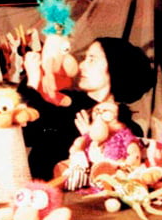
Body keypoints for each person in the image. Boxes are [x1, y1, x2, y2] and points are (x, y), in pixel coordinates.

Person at [19, 37, 154, 180]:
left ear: (116, 67)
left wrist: (94, 141)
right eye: (84, 59)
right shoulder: (61, 101)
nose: (82, 65)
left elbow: (123, 176)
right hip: (41, 190)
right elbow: (25, 135)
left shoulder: (129, 128)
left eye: (92, 59)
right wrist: (32, 82)